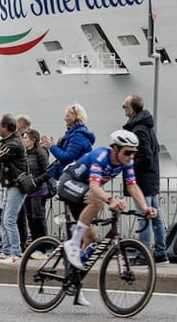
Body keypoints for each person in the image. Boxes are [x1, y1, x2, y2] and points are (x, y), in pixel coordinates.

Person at [60, 129, 152, 270]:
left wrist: (145, 207)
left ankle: (74, 278)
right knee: (97, 201)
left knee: (91, 236)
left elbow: (132, 186)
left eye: (134, 153)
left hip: (84, 192)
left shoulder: (126, 163)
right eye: (127, 152)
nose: (131, 156)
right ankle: (73, 243)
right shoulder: (101, 156)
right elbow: (94, 186)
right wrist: (111, 200)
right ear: (115, 149)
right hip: (69, 182)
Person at [0, 115, 31, 260]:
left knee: (9, 219)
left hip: (17, 186)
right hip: (11, 186)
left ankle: (16, 253)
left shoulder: (13, 144)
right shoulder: (8, 141)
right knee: (4, 218)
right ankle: (6, 252)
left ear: (6, 128)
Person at [122, 95, 164, 258]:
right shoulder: (147, 127)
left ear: (131, 110)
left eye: (124, 107)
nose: (124, 110)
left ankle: (144, 253)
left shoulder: (138, 129)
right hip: (151, 178)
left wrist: (129, 165)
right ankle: (160, 251)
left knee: (144, 216)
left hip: (142, 180)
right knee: (156, 215)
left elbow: (145, 155)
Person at [44, 104, 95, 186]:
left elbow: (67, 157)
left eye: (67, 116)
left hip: (74, 179)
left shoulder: (78, 136)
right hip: (72, 177)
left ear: (76, 117)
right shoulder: (74, 134)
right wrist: (54, 146)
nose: (65, 119)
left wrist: (52, 147)